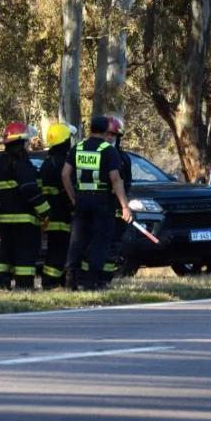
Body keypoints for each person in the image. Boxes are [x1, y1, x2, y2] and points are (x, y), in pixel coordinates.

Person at [62, 116, 132, 291]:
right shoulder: (108, 150)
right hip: (102, 201)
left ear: (91, 128)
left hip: (81, 200)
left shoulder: (77, 148)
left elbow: (64, 175)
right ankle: (91, 282)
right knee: (100, 241)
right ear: (105, 131)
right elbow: (115, 179)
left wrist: (72, 198)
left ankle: (71, 280)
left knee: (77, 240)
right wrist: (124, 206)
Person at [0, 122, 51, 290]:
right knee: (25, 253)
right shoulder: (22, 164)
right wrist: (46, 212)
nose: (29, 144)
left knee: (5, 253)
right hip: (25, 220)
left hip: (5, 219)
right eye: (27, 141)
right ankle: (24, 285)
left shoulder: (0, 163)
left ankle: (1, 284)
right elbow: (30, 190)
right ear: (21, 142)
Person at [39, 123, 77, 290]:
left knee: (55, 248)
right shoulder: (64, 163)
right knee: (60, 250)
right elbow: (69, 187)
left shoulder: (47, 162)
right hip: (63, 214)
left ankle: (52, 281)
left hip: (51, 214)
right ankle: (52, 282)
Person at [102, 116, 132, 288]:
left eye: (114, 134)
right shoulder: (94, 153)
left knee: (113, 245)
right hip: (98, 208)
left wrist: (123, 206)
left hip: (115, 209)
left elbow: (125, 184)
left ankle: (105, 279)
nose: (111, 137)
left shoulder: (123, 159)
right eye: (108, 133)